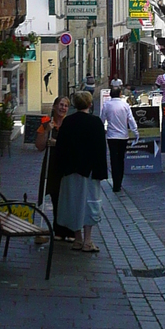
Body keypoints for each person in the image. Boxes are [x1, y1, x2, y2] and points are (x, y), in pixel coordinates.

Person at [47, 90, 107, 252]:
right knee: (90, 204)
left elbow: (61, 148)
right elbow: (101, 149)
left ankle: (77, 238)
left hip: (71, 170)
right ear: (89, 104)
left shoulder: (68, 122)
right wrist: (101, 172)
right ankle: (88, 240)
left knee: (74, 202)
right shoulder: (96, 123)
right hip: (90, 171)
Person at [35, 96, 71, 236]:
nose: (63, 108)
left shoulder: (70, 124)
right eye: (61, 105)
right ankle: (59, 230)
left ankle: (68, 229)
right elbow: (39, 146)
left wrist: (57, 143)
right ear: (55, 107)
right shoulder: (46, 123)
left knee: (66, 198)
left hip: (67, 165)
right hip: (52, 164)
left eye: (66, 106)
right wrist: (45, 132)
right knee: (55, 196)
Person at [100, 79, 138, 193]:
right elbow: (131, 120)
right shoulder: (125, 105)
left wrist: (102, 129)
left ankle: (115, 182)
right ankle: (119, 182)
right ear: (120, 94)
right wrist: (136, 133)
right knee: (121, 159)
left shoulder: (106, 105)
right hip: (123, 136)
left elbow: (102, 120)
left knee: (113, 159)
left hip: (111, 136)